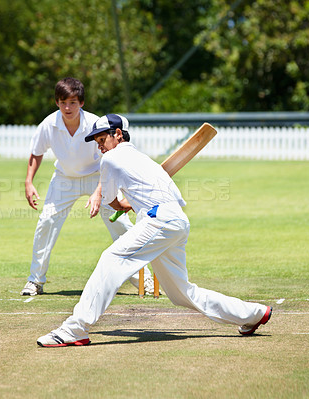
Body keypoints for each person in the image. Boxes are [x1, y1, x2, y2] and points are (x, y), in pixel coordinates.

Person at [37, 113, 272, 347]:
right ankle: (253, 313)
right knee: (182, 293)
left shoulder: (110, 159)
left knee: (112, 258)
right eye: (97, 144)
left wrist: (122, 205)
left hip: (158, 220)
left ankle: (75, 329)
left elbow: (111, 200)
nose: (100, 148)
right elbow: (164, 197)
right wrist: (132, 205)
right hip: (176, 220)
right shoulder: (144, 160)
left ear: (117, 134)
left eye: (101, 141)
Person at [21, 79, 154, 296]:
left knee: (120, 225)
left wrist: (99, 192)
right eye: (63, 102)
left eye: (73, 102)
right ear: (56, 102)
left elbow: (110, 157)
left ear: (81, 102)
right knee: (46, 222)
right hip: (64, 178)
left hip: (98, 175)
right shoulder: (48, 124)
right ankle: (35, 281)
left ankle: (144, 280)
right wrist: (29, 182)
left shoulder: (94, 123)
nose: (67, 108)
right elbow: (37, 152)